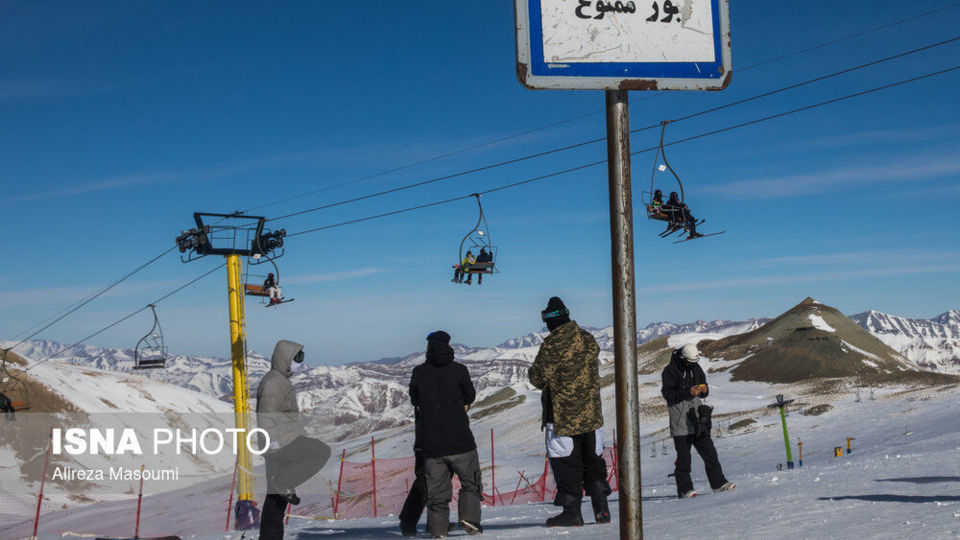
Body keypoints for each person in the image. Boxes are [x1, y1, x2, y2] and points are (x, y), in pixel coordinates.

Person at [529, 297, 611, 527]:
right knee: (593, 463)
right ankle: (601, 509)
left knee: (566, 465)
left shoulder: (552, 345)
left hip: (562, 419)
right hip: (592, 416)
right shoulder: (587, 338)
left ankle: (572, 512)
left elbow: (537, 378)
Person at [409, 331, 483, 538]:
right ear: (449, 347)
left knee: (437, 494)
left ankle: (438, 530)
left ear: (428, 348)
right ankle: (469, 517)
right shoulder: (459, 370)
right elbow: (470, 395)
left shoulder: (419, 372)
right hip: (461, 441)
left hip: (432, 445)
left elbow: (414, 399)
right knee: (470, 481)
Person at [256, 340, 331, 540]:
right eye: (297, 358)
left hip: (280, 441)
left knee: (275, 499)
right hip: (280, 442)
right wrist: (273, 443)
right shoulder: (274, 382)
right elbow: (266, 414)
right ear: (285, 359)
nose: (300, 362)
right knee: (321, 451)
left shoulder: (279, 379)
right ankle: (284, 482)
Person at [660, 343, 734, 499]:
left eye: (694, 363)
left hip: (697, 418)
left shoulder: (696, 368)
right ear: (682, 358)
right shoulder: (670, 372)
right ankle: (684, 489)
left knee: (710, 452)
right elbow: (668, 395)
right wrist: (688, 391)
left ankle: (718, 483)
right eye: (689, 363)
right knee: (684, 458)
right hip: (680, 420)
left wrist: (704, 390)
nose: (692, 365)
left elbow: (703, 388)